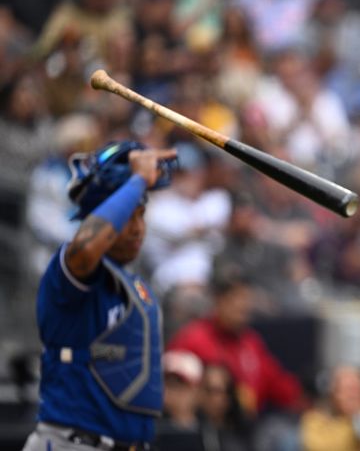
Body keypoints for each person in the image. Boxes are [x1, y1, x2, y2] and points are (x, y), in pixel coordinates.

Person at [22, 140, 177, 450]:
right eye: (128, 216)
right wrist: (135, 182)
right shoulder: (69, 268)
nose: (137, 229)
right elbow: (84, 248)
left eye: (141, 215)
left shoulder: (135, 286)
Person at [167, 265, 306, 417]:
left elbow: (277, 383)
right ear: (218, 300)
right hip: (206, 425)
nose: (243, 306)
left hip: (246, 427)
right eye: (235, 298)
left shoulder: (251, 342)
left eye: (246, 298)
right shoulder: (192, 339)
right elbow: (170, 388)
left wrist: (306, 400)